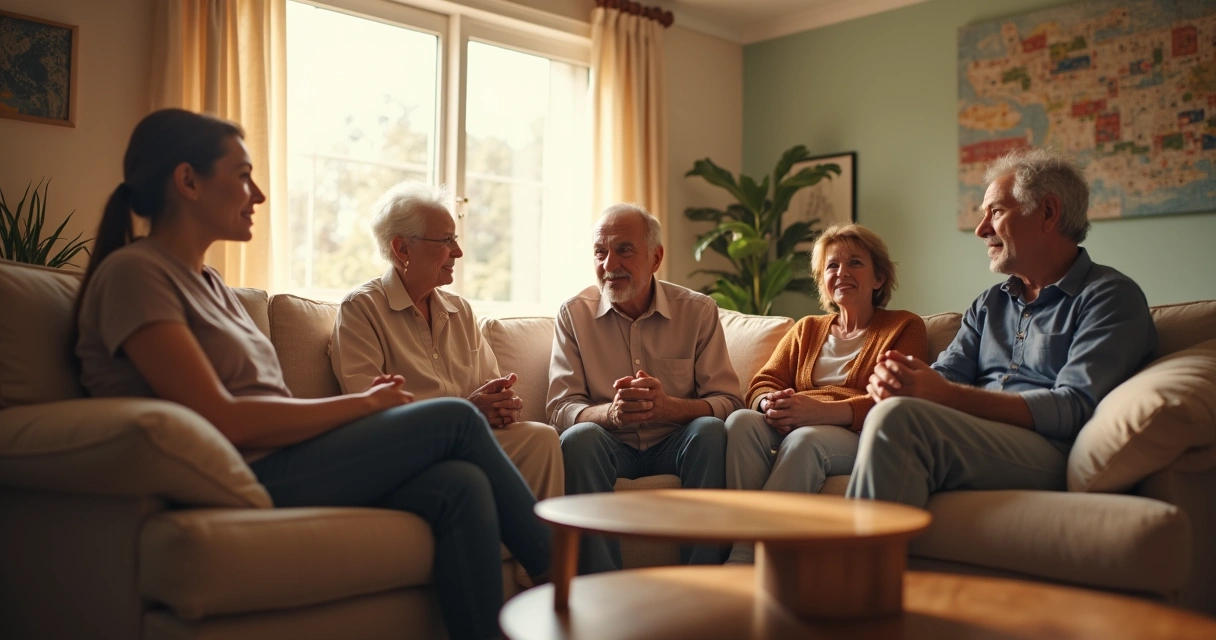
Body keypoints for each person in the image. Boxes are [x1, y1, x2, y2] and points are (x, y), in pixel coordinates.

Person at [74, 108, 550, 640]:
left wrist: (355, 414)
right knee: (457, 419)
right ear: (187, 181)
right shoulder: (135, 274)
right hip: (243, 472)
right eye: (242, 176)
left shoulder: (208, 282)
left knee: (461, 484)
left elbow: (263, 403)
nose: (257, 195)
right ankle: (566, 578)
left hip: (283, 459)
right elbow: (222, 418)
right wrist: (363, 405)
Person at [848, 147, 1157, 508]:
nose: (981, 230)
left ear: (1048, 213)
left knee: (899, 420)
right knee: (891, 411)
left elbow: (1073, 406)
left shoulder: (1110, 296)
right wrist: (906, 380)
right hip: (978, 436)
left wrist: (943, 395)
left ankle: (854, 562)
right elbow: (947, 374)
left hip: (1051, 450)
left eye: (995, 212)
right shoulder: (990, 303)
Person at [330, 181, 563, 502]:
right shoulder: (361, 309)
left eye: (455, 238)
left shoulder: (461, 311)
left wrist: (502, 406)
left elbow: (489, 387)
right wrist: (468, 410)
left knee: (541, 438)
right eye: (445, 240)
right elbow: (371, 412)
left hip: (471, 441)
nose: (458, 251)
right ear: (402, 249)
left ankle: (526, 551)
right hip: (406, 451)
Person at [547, 203, 743, 574]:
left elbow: (729, 401)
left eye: (624, 250)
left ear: (656, 258)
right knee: (580, 438)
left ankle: (703, 583)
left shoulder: (697, 311)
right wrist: (611, 413)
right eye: (600, 252)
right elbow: (561, 407)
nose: (609, 264)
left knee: (711, 431)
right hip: (610, 444)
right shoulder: (573, 314)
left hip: (676, 442)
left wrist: (669, 408)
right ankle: (601, 589)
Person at [724, 223, 927, 563]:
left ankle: (747, 557)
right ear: (823, 281)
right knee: (741, 422)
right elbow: (763, 382)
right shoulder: (807, 329)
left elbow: (898, 401)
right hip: (799, 423)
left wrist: (819, 413)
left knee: (806, 441)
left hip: (860, 434)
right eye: (832, 265)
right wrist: (770, 404)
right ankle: (773, 556)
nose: (842, 272)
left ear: (878, 279)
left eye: (855, 263)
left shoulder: (904, 327)